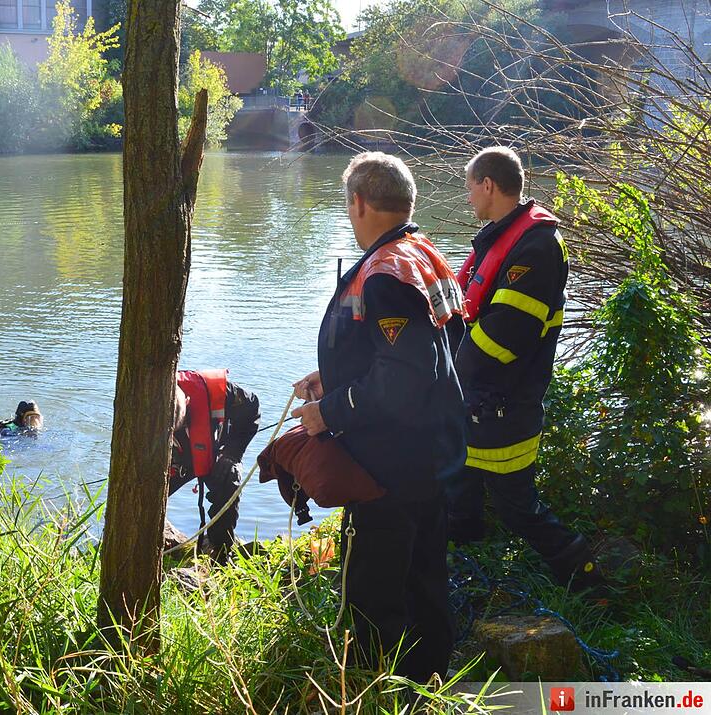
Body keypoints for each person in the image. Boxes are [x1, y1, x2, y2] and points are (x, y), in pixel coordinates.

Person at [291, 152, 466, 682]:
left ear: (359, 202)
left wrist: (330, 410)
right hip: (428, 454)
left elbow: (404, 380)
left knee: (374, 590)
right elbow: (432, 355)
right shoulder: (420, 253)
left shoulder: (386, 273)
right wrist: (337, 376)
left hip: (388, 464)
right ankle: (430, 680)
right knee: (424, 578)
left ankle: (377, 687)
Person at [447, 146, 603, 591]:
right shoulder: (504, 236)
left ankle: (588, 581)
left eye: (470, 187)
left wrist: (448, 371)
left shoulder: (535, 248)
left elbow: (503, 338)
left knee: (518, 509)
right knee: (456, 494)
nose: (469, 197)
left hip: (503, 408)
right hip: (476, 405)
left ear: (489, 185)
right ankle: (463, 574)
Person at [169, 369, 260, 563]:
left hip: (213, 452)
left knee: (230, 479)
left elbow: (252, 409)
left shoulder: (225, 393)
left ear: (187, 401)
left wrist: (232, 454)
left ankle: (219, 551)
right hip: (176, 458)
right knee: (143, 490)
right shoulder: (144, 405)